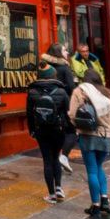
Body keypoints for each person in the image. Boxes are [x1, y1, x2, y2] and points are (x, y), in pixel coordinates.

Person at [69, 68, 110, 215]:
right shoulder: (108, 94)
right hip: (105, 137)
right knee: (99, 167)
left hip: (87, 136)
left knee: (92, 170)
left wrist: (79, 126)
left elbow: (73, 115)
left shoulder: (79, 92)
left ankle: (95, 205)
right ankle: (104, 199)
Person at [25, 61, 69, 203]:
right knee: (56, 157)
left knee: (47, 160)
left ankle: (51, 193)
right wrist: (68, 129)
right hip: (58, 130)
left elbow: (29, 114)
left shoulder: (32, 92)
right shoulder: (62, 92)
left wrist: (32, 130)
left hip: (41, 130)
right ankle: (59, 188)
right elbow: (67, 112)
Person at [41, 43, 76, 174]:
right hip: (62, 103)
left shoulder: (44, 65)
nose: (67, 52)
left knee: (52, 132)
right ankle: (64, 156)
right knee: (71, 131)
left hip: (45, 104)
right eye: (64, 50)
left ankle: (53, 160)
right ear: (58, 53)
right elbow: (71, 87)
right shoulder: (64, 68)